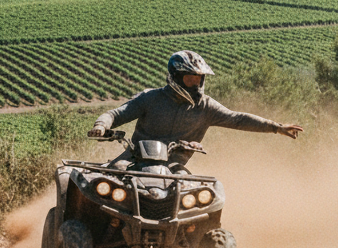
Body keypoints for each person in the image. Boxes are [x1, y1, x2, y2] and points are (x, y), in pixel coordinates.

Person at [90, 50, 303, 166]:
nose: (195, 83)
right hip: (134, 159)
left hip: (174, 166)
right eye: (190, 78)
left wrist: (276, 127)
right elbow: (116, 114)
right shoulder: (150, 98)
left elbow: (237, 119)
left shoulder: (206, 106)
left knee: (202, 200)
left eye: (198, 78)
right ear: (175, 78)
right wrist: (101, 125)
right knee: (110, 177)